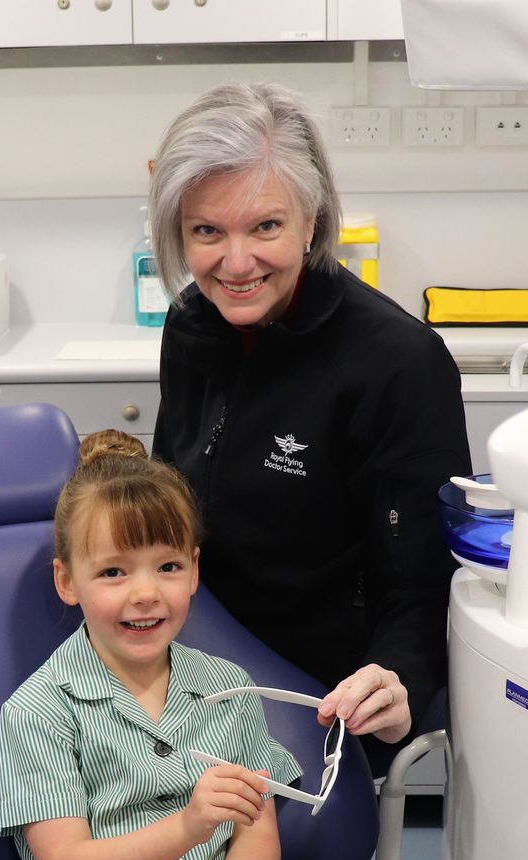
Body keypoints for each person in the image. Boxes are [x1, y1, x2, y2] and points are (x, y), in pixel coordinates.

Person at [0, 430, 459, 860]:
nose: (145, 594)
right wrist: (186, 827)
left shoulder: (226, 690)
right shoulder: (41, 710)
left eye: (167, 567)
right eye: (114, 572)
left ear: (195, 570)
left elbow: (256, 833)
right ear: (68, 581)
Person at [150, 82, 472, 778]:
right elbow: (167, 517)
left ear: (312, 218)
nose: (236, 265)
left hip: (311, 698)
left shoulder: (396, 363)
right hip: (187, 666)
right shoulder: (190, 326)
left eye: (265, 227)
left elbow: (419, 584)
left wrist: (399, 675)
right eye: (208, 232)